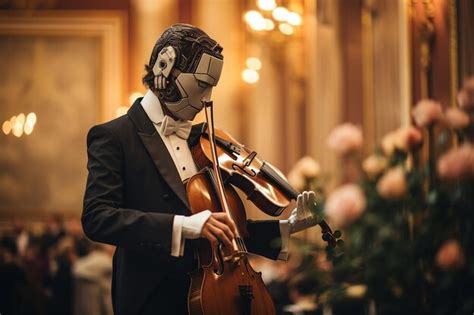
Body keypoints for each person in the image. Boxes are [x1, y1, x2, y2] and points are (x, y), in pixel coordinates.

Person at [82, 23, 319, 315]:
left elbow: (222, 231)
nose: (207, 98)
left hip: (215, 299)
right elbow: (97, 218)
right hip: (152, 300)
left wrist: (286, 228)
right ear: (165, 67)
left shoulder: (202, 142)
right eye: (202, 84)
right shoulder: (113, 136)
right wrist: (183, 226)